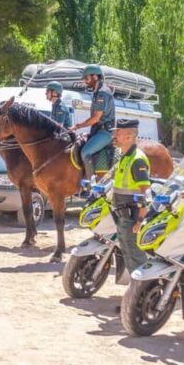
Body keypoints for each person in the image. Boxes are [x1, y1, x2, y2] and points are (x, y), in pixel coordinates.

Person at [110, 119, 151, 276]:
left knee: (136, 259)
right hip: (123, 218)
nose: (114, 135)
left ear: (128, 137)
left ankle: (143, 294)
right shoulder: (124, 156)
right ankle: (136, 297)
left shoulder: (136, 159)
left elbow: (144, 192)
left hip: (132, 219)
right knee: (129, 258)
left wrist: (140, 221)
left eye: (117, 132)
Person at [70, 65, 116, 181]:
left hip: (105, 132)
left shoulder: (102, 93)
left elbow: (96, 118)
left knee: (86, 152)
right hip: (98, 130)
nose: (85, 81)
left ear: (95, 76)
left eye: (87, 78)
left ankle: (92, 185)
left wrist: (78, 126)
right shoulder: (97, 93)